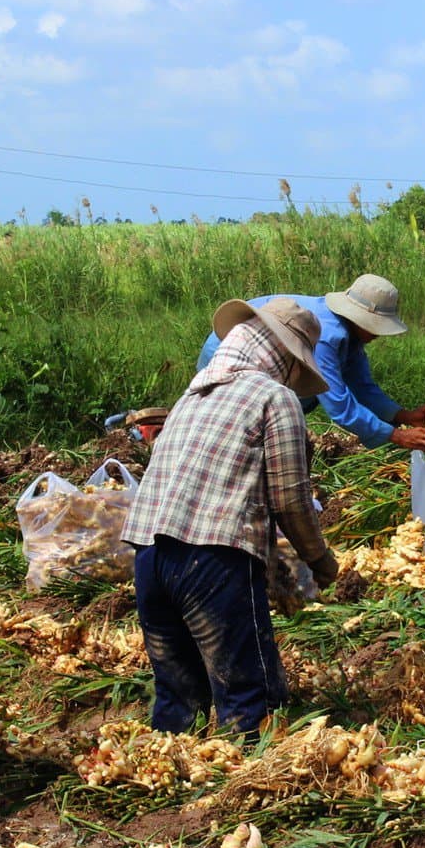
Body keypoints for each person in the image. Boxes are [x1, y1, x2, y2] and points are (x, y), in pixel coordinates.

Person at [125, 297, 340, 735]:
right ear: (284, 357)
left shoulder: (193, 393)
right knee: (250, 699)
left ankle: (173, 785)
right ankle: (243, 787)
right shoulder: (274, 397)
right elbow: (291, 500)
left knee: (177, 698)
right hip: (212, 562)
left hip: (148, 557)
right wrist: (321, 562)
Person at [194, 274, 425, 450]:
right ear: (360, 319)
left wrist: (404, 416)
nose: (378, 334)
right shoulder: (326, 336)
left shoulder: (351, 337)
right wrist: (396, 436)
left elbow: (363, 387)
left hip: (269, 364)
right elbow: (340, 406)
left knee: (292, 404)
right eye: (376, 327)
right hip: (231, 352)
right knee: (236, 425)